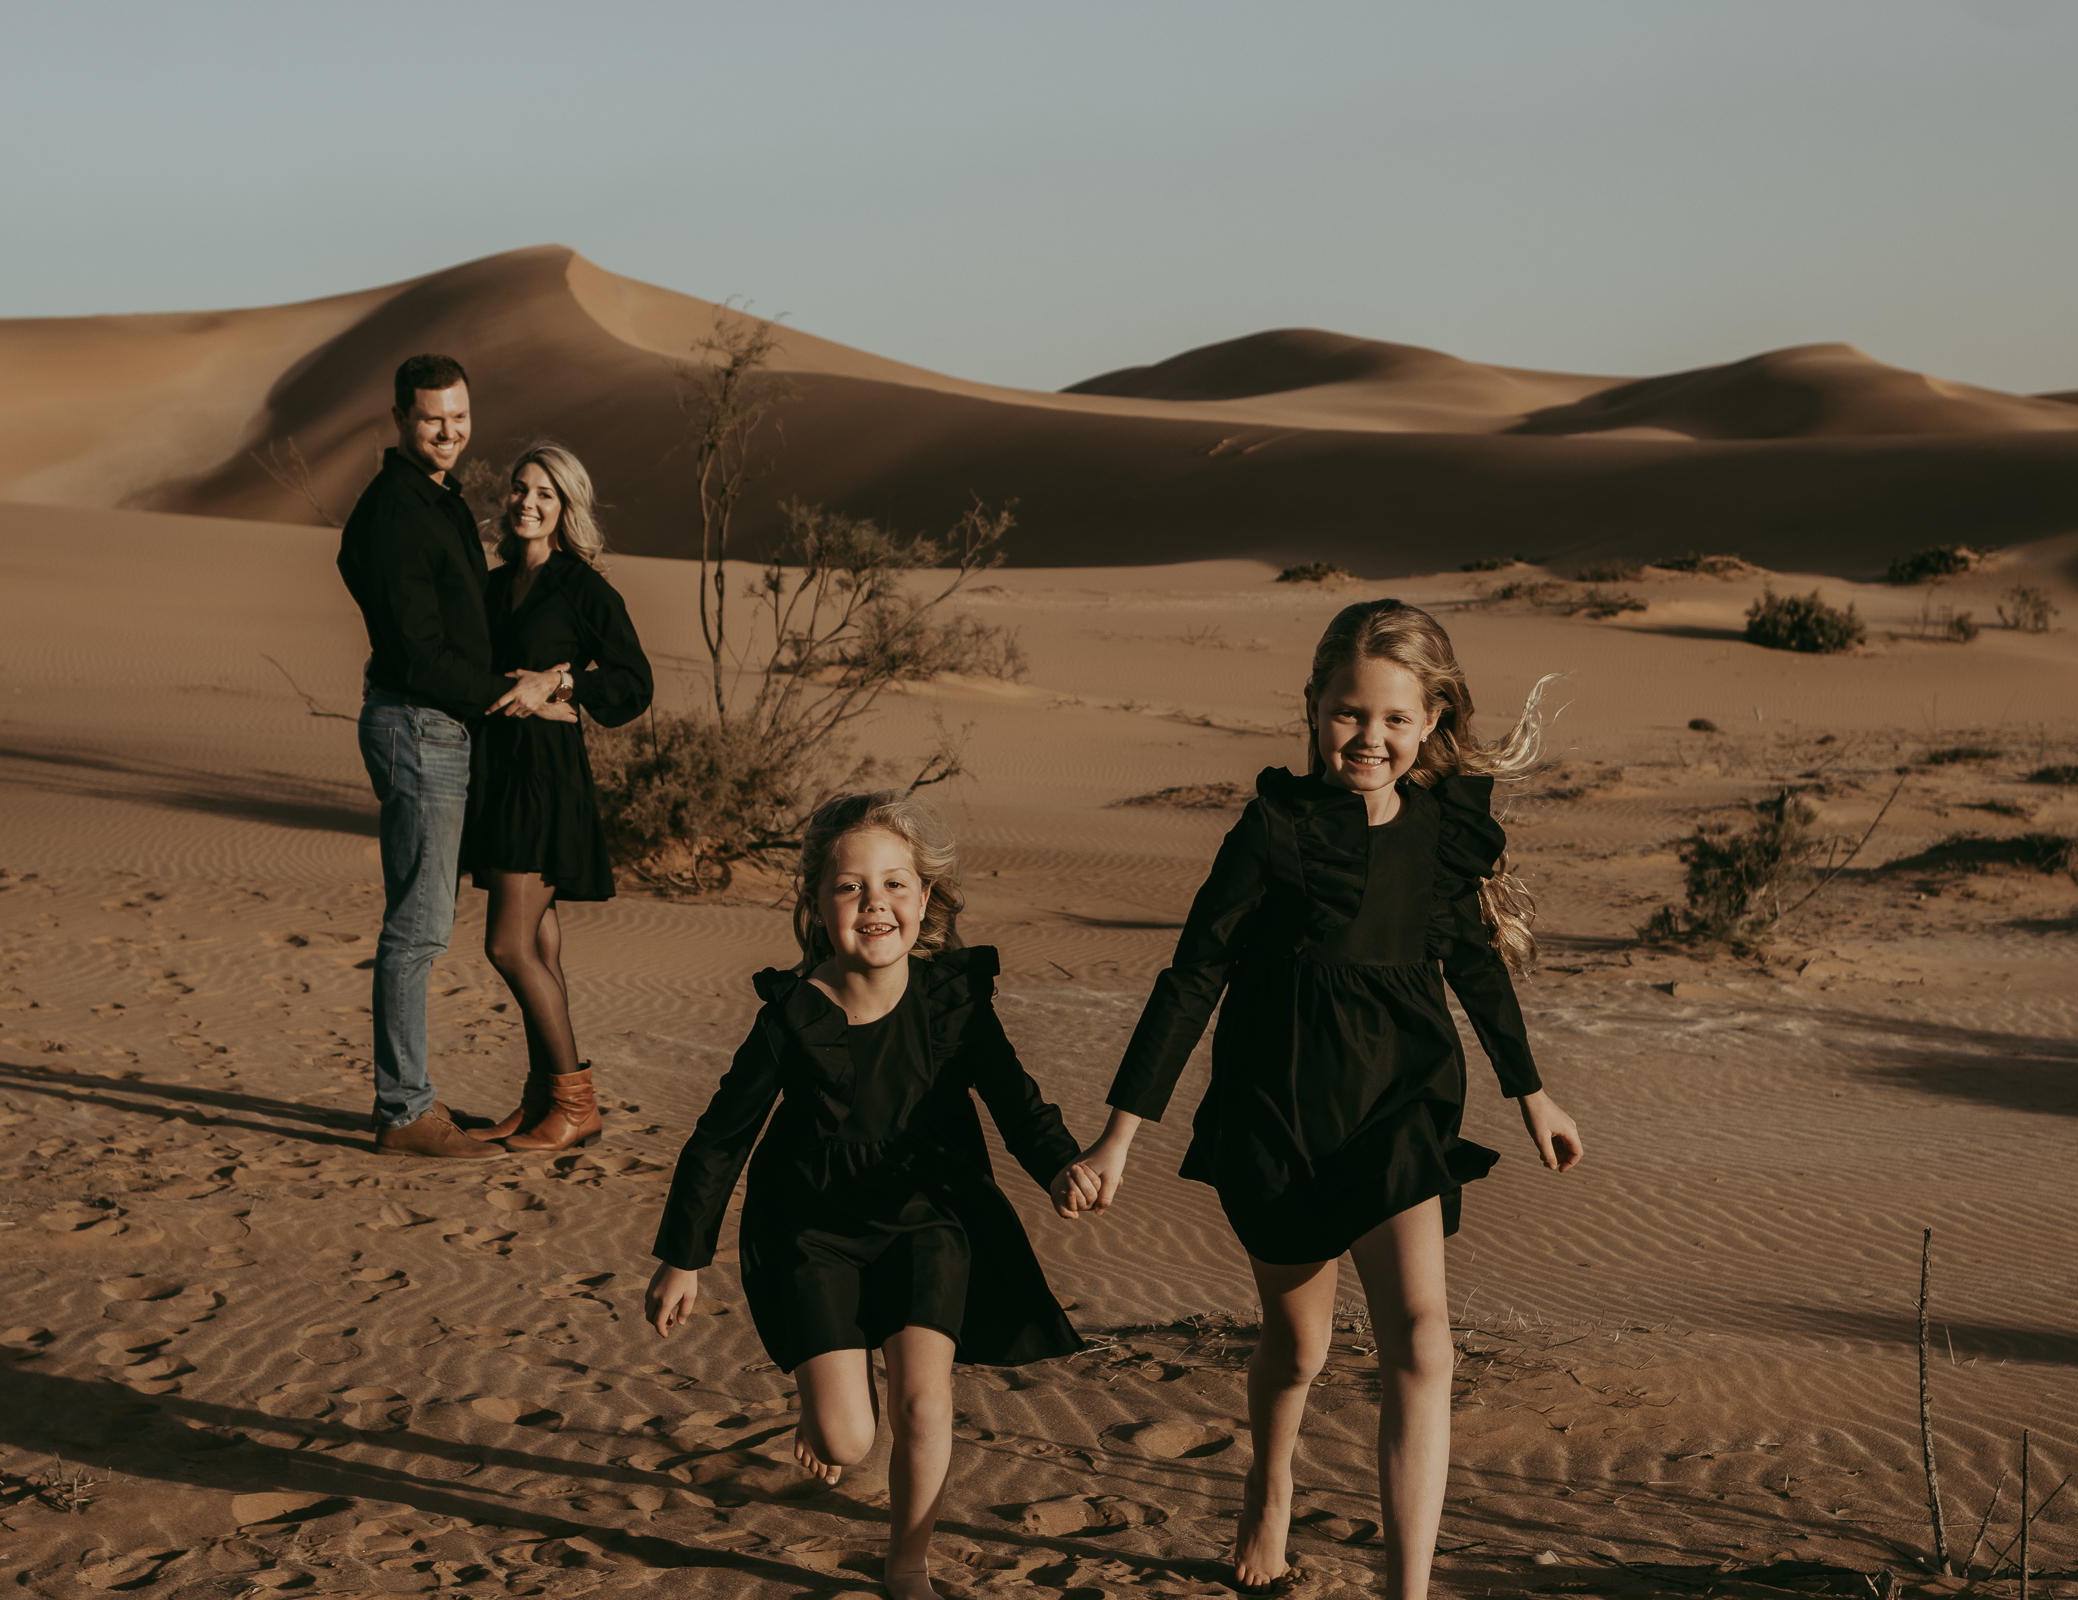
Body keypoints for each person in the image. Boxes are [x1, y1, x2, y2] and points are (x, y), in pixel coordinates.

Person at [1063, 600, 1585, 1598]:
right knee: (1297, 1348)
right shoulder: (1273, 830)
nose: (1370, 738)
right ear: (1312, 708)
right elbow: (1194, 974)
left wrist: (1534, 1093)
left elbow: (1472, 962)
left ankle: (1407, 1588)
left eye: (1394, 719)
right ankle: (1271, 1480)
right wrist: (1118, 1134)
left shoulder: (1443, 834)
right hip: (1282, 1110)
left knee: (1422, 1341)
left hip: (1403, 1102)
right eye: (1350, 713)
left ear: (1430, 720)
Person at [646, 792, 1095, 1600]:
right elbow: (721, 1136)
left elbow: (1015, 1097)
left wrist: (1060, 1163)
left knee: (924, 1401)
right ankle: (825, 1406)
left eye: (895, 885)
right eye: (851, 888)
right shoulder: (794, 1015)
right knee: (849, 1439)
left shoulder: (954, 1001)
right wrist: (683, 1258)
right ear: (817, 905)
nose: (875, 904)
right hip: (812, 1227)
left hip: (930, 1213)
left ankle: (907, 1563)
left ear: (927, 900)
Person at [335, 354, 564, 1161]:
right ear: (401, 417)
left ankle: (409, 1101)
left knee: (421, 923)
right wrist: (503, 690)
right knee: (418, 931)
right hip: (420, 725)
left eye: (460, 415)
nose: (450, 430)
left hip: (436, 725)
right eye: (434, 417)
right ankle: (403, 1111)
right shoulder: (398, 512)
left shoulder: (435, 500)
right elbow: (419, 653)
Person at [461, 442, 652, 1151]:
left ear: (567, 507)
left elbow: (634, 683)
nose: (527, 502)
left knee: (509, 946)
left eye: (544, 493)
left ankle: (576, 1105)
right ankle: (543, 1098)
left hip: (546, 781)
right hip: (500, 773)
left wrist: (562, 685)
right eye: (519, 489)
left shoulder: (583, 588)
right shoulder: (495, 582)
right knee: (539, 941)